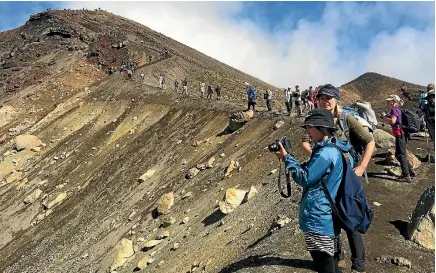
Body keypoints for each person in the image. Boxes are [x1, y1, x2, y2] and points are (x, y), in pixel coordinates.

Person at [301, 84, 374, 273]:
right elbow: (306, 144)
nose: (325, 101)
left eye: (329, 98)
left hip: (348, 178)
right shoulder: (316, 121)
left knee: (351, 219)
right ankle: (336, 257)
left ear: (336, 99)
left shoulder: (346, 118)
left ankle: (358, 265)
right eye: (321, 98)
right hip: (329, 179)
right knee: (332, 217)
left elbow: (370, 141)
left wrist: (362, 167)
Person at [275, 108, 343, 273]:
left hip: (318, 217)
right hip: (326, 216)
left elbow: (304, 178)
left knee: (325, 266)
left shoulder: (325, 153)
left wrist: (286, 157)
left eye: (310, 127)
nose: (307, 131)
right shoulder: (331, 149)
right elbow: (314, 174)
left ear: (322, 128)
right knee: (330, 263)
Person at [382, 94, 415, 182]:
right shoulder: (398, 110)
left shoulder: (394, 109)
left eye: (389, 101)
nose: (388, 102)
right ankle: (410, 170)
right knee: (399, 154)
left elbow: (393, 121)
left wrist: (385, 117)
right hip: (402, 134)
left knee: (401, 154)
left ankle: (406, 175)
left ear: (393, 102)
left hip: (400, 134)